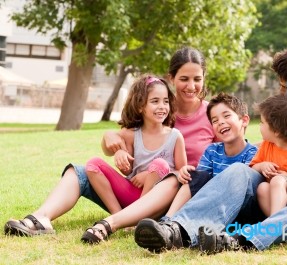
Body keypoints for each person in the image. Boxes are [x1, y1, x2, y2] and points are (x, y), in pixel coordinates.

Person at [133, 43, 287, 254]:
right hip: (272, 199)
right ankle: (176, 230)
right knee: (240, 171)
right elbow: (267, 144)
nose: (281, 92)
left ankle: (241, 240)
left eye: (286, 88)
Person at [4, 47, 216, 241]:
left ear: (204, 78)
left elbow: (222, 156)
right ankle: (41, 218)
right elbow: (120, 139)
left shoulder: (212, 115)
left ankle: (121, 222)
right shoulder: (156, 106)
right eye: (184, 79)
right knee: (79, 172)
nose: (191, 86)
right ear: (171, 78)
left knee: (167, 174)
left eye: (197, 79)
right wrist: (110, 138)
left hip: (172, 195)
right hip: (134, 190)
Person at [79, 74, 187, 243]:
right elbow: (120, 161)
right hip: (131, 195)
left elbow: (182, 174)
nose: (162, 106)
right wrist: (119, 152)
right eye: (155, 101)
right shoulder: (130, 134)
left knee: (160, 164)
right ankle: (119, 217)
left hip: (158, 201)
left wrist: (151, 174)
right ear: (140, 106)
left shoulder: (175, 136)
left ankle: (137, 218)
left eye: (165, 101)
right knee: (93, 164)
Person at [163, 93, 258, 218]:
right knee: (194, 176)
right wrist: (189, 172)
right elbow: (199, 182)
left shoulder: (253, 153)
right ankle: (168, 218)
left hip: (238, 209)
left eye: (226, 116)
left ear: (244, 120)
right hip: (211, 202)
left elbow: (243, 189)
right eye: (215, 120)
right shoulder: (212, 151)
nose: (221, 122)